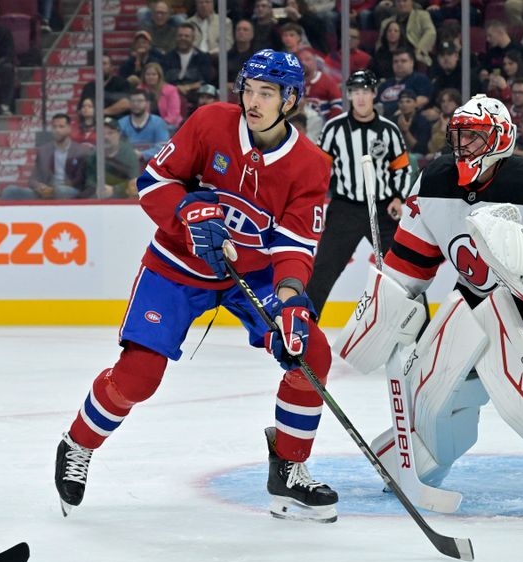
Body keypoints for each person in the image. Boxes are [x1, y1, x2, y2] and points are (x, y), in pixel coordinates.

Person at [55, 49, 339, 523]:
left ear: (290, 99)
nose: (253, 101)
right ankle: (77, 444)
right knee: (139, 376)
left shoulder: (310, 165)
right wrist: (187, 211)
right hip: (176, 264)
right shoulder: (210, 122)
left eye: (266, 93)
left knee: (310, 351)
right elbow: (152, 181)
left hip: (250, 275)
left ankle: (289, 468)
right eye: (248, 89)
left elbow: (295, 246)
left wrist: (290, 304)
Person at [337, 93, 523, 509]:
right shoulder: (435, 180)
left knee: (520, 380)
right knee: (432, 371)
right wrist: (386, 308)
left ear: (500, 140)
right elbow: (410, 261)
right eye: (457, 137)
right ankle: (416, 460)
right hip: (481, 290)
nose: (462, 148)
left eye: (473, 139)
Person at [305, 70, 410, 317]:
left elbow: (402, 169)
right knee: (323, 270)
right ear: (349, 95)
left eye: (365, 92)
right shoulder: (334, 129)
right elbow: (320, 171)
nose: (361, 98)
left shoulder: (389, 130)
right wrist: (314, 201)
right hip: (345, 209)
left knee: (404, 270)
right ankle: (304, 327)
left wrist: (398, 197)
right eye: (355, 92)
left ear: (374, 94)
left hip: (384, 209)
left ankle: (421, 333)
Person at [0, 114, 90, 199]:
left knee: (60, 190)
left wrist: (54, 189)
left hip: (68, 191)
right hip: (45, 192)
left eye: (61, 127)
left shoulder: (81, 151)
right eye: (54, 127)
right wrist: (39, 187)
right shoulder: (43, 150)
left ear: (69, 129)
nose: (57, 130)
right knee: (9, 191)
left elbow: (80, 180)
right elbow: (32, 179)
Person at [81, 116, 141, 198]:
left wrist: (115, 189)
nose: (106, 137)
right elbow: (90, 180)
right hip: (98, 195)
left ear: (118, 134)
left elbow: (134, 180)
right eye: (102, 133)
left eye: (110, 133)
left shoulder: (129, 154)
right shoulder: (94, 155)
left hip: (124, 196)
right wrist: (99, 189)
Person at [375, 47, 432, 118]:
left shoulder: (420, 79)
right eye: (395, 61)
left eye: (403, 61)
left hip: (404, 117)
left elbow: (423, 99)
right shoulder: (385, 84)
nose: (399, 64)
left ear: (412, 63)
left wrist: (403, 110)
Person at [378, 0, 436, 68]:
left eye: (405, 1)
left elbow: (431, 32)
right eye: (399, 2)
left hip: (415, 54)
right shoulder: (386, 23)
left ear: (411, 2)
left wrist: (419, 49)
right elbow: (380, 43)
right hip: (390, 56)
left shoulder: (422, 16)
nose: (401, 4)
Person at [80, 54, 131, 118]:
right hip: (94, 125)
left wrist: (100, 112)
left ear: (112, 67)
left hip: (116, 124)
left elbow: (126, 104)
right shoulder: (88, 87)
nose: (101, 66)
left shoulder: (122, 83)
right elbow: (79, 110)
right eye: (98, 64)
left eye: (104, 63)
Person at [140, 62, 183, 130]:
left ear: (159, 76)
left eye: (154, 74)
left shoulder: (171, 90)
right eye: (148, 74)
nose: (150, 77)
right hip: (146, 125)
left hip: (169, 124)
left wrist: (156, 125)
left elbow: (173, 115)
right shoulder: (140, 90)